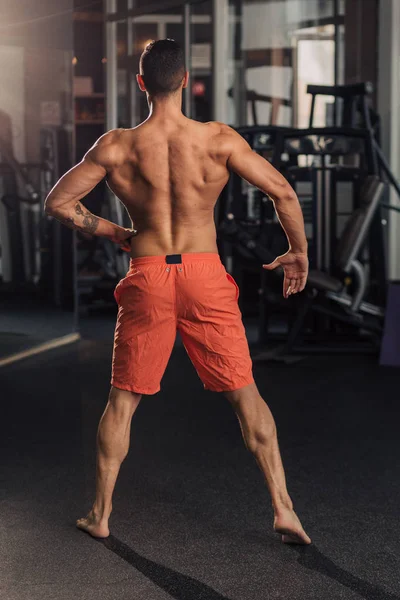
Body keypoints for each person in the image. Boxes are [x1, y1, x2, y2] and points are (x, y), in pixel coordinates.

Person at [45, 39, 310, 545]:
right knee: (245, 395)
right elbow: (283, 192)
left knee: (122, 401)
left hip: (148, 272)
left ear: (141, 83)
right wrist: (298, 251)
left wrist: (114, 232)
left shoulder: (117, 146)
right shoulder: (218, 139)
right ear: (186, 80)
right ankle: (284, 509)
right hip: (204, 274)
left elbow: (60, 203)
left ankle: (100, 515)